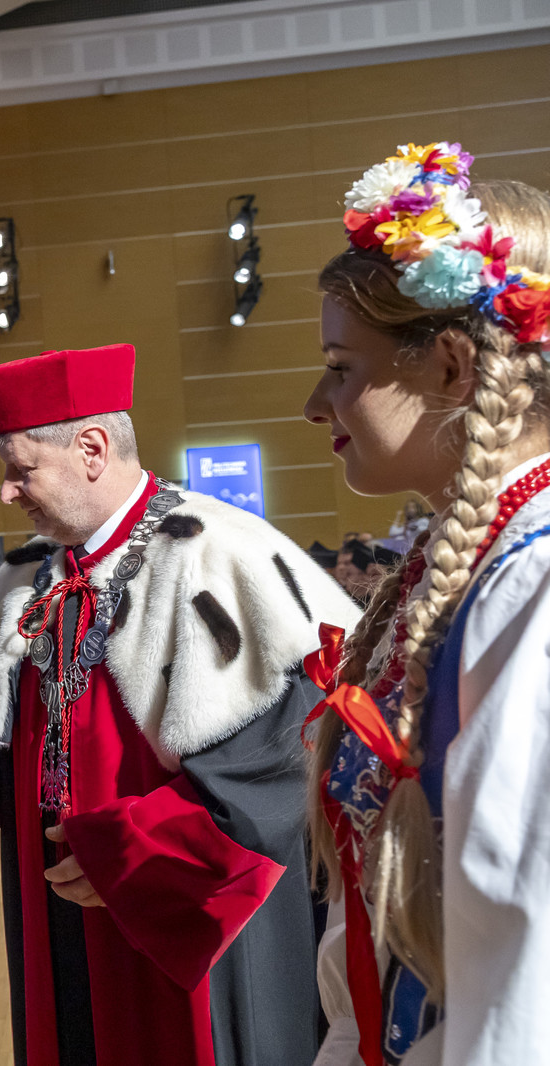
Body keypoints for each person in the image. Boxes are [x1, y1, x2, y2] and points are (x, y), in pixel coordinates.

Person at [0, 344, 360, 1066]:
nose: (7, 493)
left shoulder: (221, 555)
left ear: (91, 448)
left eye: (21, 470)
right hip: (66, 912)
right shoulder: (31, 577)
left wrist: (132, 857)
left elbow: (276, 758)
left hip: (187, 920)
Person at [303, 144, 550, 1065]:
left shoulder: (532, 585)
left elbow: (526, 985)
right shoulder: (463, 561)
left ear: (451, 367)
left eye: (340, 367)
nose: (315, 403)